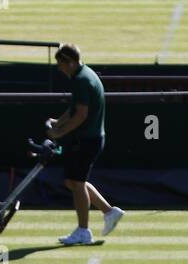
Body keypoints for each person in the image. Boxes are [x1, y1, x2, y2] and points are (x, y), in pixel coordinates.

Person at [46, 42, 123, 246]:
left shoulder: (81, 80)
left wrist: (59, 132)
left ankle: (83, 231)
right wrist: (58, 122)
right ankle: (109, 212)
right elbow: (75, 108)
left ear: (69, 62)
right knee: (72, 182)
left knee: (77, 184)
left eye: (60, 64)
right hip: (89, 139)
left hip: (86, 141)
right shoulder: (84, 74)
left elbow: (81, 115)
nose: (59, 68)